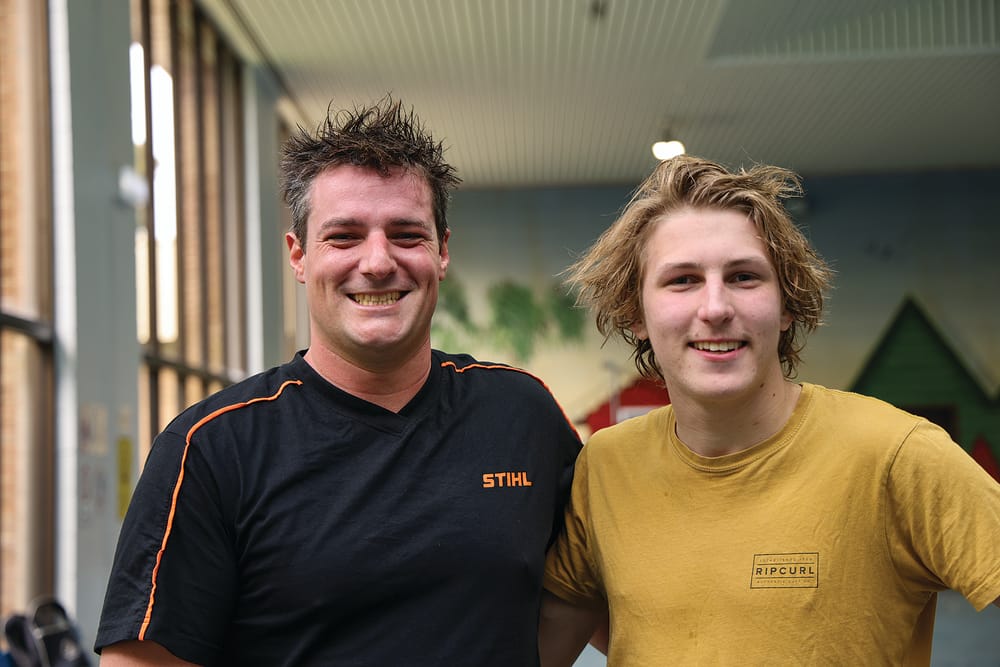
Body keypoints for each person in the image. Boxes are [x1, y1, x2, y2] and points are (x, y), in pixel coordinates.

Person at [95, 96, 581, 666]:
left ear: (442, 252)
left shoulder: (519, 413)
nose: (377, 262)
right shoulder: (212, 448)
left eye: (406, 234)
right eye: (344, 236)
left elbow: (591, 596)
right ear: (299, 255)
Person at [538, 154, 1000, 665]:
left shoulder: (894, 456)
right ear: (635, 312)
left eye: (743, 277)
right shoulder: (606, 466)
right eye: (682, 280)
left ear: (786, 305)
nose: (715, 308)